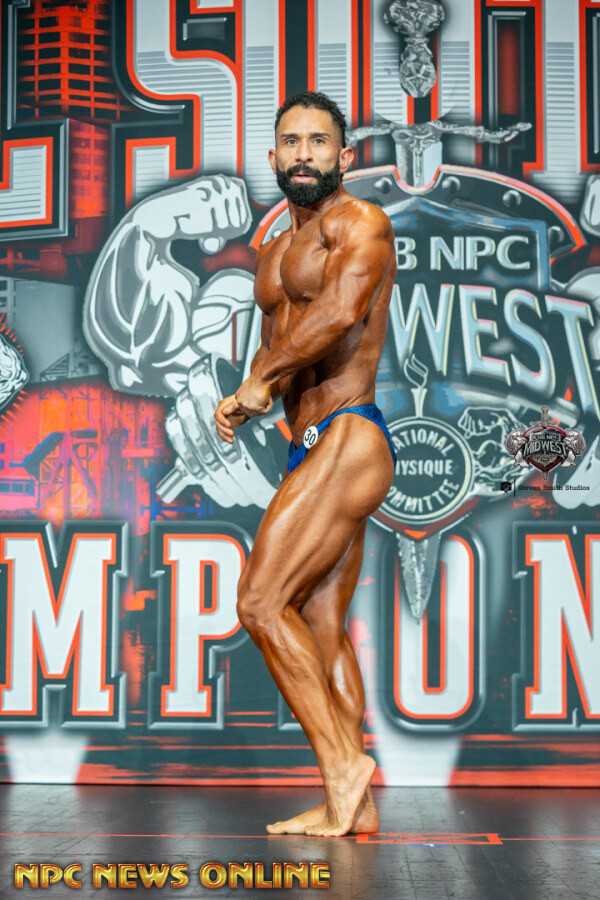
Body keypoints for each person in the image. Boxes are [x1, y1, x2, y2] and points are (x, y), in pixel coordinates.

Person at [214, 91, 397, 837]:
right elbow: (282, 345)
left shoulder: (361, 224)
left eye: (319, 142)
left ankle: (346, 767)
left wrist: (258, 382)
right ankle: (353, 805)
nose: (303, 154)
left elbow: (338, 315)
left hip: (350, 433)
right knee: (320, 626)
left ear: (344, 156)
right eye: (291, 142)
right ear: (273, 157)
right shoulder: (272, 255)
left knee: (260, 603)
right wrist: (246, 395)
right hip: (309, 443)